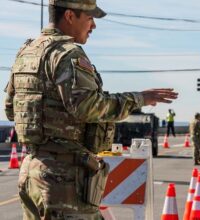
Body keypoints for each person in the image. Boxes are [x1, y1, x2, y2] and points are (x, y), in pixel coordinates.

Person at [4, 1, 178, 219]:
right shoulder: (68, 54)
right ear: (69, 16)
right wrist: (139, 98)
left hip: (32, 171)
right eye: (89, 18)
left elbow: (11, 109)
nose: (93, 25)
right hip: (63, 179)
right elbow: (88, 107)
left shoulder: (26, 53)